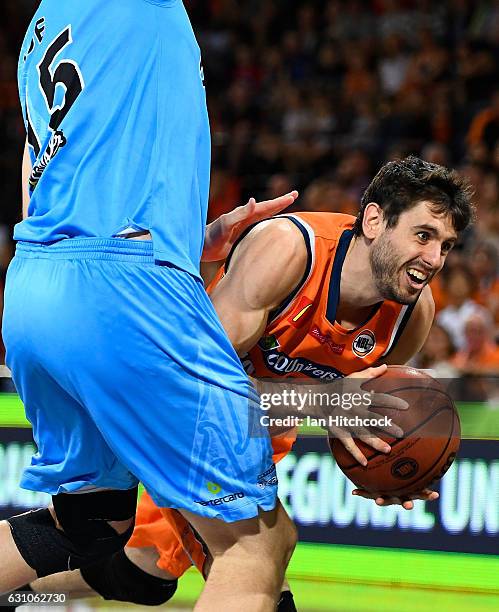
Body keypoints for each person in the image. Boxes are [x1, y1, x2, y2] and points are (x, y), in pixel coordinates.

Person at [13, 156, 474, 609]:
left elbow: (347, 413)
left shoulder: (412, 316)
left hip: (250, 433)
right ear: (374, 220)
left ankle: (18, 594)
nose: (434, 259)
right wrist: (321, 404)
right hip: (167, 403)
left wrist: (384, 465)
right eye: (423, 235)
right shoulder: (289, 252)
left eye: (446, 245)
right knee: (259, 557)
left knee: (140, 570)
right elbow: (192, 389)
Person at [0, 2, 301, 610]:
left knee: (89, 524)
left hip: (36, 282)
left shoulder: (41, 24)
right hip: (125, 288)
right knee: (254, 544)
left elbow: (59, 184)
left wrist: (183, 242)